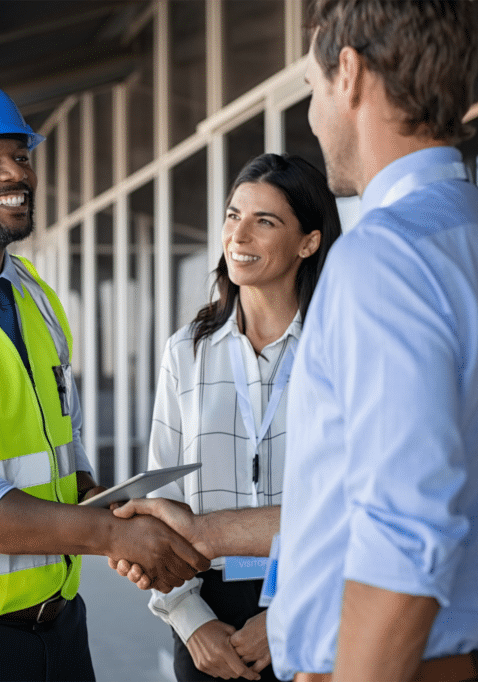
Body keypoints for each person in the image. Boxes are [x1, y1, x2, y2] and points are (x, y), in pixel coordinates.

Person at [118, 2, 478, 681]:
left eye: (313, 87)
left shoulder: (383, 258)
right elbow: (356, 504)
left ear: (347, 73)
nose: (315, 113)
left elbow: (402, 538)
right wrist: (202, 536)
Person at [0, 71, 209, 682]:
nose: (16, 173)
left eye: (20, 155)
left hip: (60, 629)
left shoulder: (33, 296)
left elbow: (63, 445)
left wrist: (108, 507)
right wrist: (107, 536)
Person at [144, 154, 340, 682]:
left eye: (264, 221)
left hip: (314, 604)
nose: (239, 234)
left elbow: (352, 501)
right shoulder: (187, 350)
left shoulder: (338, 349)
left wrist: (289, 616)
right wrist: (190, 620)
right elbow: (164, 498)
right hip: (207, 611)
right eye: (233, 216)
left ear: (309, 242)